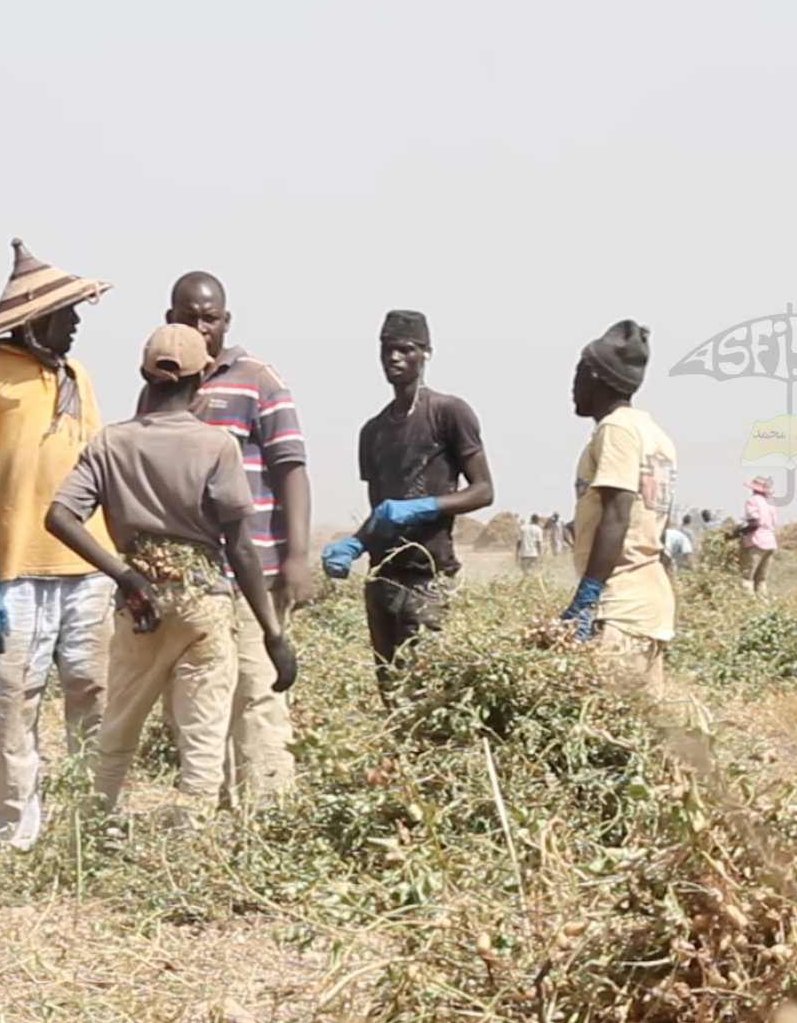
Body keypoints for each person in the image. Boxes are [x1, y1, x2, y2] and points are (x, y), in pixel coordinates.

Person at [47, 324, 298, 823]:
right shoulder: (217, 446)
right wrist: (273, 632)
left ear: (145, 374)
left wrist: (126, 576)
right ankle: (190, 846)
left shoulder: (111, 443)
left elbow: (59, 516)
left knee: (117, 727)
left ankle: (94, 832)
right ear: (202, 376)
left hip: (141, 606)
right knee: (202, 739)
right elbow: (241, 548)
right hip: (204, 600)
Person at [0, 239, 119, 852]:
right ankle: (13, 837)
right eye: (66, 313)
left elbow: (97, 472)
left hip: (87, 570)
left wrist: (121, 562)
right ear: (33, 317)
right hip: (15, 573)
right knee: (11, 709)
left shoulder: (78, 378)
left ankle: (95, 831)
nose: (74, 324)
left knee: (93, 701)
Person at [167, 271, 308, 805]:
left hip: (257, 572)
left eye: (210, 318)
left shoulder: (258, 380)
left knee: (257, 690)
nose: (200, 328)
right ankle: (221, 813)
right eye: (188, 317)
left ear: (225, 321)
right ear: (170, 320)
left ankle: (269, 814)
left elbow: (291, 467)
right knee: (203, 697)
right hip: (195, 580)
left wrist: (297, 557)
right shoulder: (161, 383)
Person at [321, 310, 494, 694]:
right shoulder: (374, 431)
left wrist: (424, 506)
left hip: (428, 578)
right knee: (391, 692)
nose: (394, 358)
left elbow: (483, 490)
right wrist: (355, 544)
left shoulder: (448, 413)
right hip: (382, 578)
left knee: (426, 691)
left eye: (405, 350)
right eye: (387, 350)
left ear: (425, 353)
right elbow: (379, 514)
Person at [558, 320, 679, 693]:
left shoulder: (616, 430)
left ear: (596, 377)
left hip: (621, 606)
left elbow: (618, 515)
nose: (573, 384)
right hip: (650, 604)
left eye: (579, 373)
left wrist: (587, 595)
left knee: (601, 721)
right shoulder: (656, 435)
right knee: (644, 731)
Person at [741, 476, 780, 595]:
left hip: (757, 542)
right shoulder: (771, 503)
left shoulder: (752, 501)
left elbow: (755, 522)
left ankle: (748, 603)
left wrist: (738, 532)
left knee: (747, 578)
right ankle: (762, 605)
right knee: (761, 579)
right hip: (771, 542)